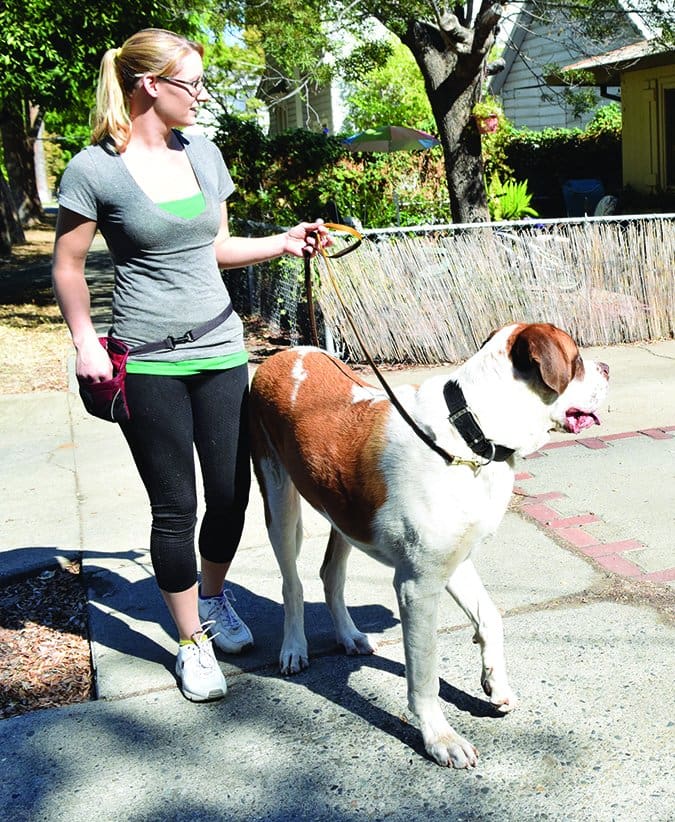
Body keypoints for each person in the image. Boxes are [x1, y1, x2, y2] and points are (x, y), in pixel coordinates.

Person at [52, 28, 328, 703]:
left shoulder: (203, 154)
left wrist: (283, 243)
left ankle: (211, 598)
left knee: (232, 496)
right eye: (191, 84)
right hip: (146, 362)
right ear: (150, 85)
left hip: (219, 349)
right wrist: (85, 339)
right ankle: (189, 642)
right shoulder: (95, 169)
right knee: (176, 506)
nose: (201, 96)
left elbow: (216, 246)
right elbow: (66, 265)